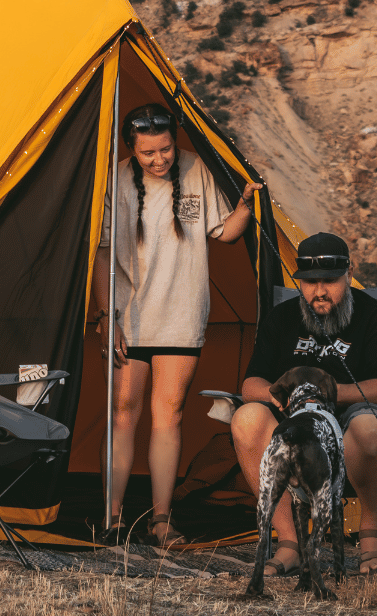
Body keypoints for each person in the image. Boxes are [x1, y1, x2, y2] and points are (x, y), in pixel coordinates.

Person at [93, 102, 260, 549]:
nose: (159, 160)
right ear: (133, 149)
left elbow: (225, 233)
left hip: (182, 315)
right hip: (129, 317)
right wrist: (107, 317)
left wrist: (245, 204)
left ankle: (161, 521)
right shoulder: (115, 179)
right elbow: (102, 252)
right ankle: (112, 519)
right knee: (123, 415)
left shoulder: (196, 168)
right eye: (148, 153)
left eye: (165, 149)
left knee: (169, 416)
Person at [230, 232, 377, 577]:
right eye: (310, 282)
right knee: (246, 418)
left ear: (349, 274)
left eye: (330, 280)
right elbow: (250, 384)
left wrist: (330, 393)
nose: (319, 291)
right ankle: (289, 543)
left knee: (369, 426)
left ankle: (372, 536)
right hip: (294, 425)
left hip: (352, 424)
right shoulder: (281, 318)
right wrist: (278, 395)